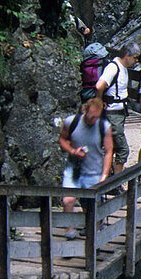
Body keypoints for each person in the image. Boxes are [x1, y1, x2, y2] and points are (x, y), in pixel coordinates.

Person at [58, 97, 113, 239]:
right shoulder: (72, 122)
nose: (92, 120)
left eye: (96, 117)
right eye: (90, 116)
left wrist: (104, 175)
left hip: (93, 170)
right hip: (74, 168)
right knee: (68, 200)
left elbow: (108, 151)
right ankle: (70, 231)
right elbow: (62, 139)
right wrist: (72, 151)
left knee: (92, 204)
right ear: (85, 110)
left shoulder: (104, 127)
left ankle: (94, 233)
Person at [94, 42, 139, 175]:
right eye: (135, 57)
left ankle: (108, 179)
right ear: (127, 55)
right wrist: (99, 100)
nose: (136, 61)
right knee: (122, 149)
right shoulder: (113, 68)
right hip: (113, 114)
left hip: (118, 114)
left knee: (110, 148)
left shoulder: (122, 68)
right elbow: (99, 85)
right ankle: (116, 182)